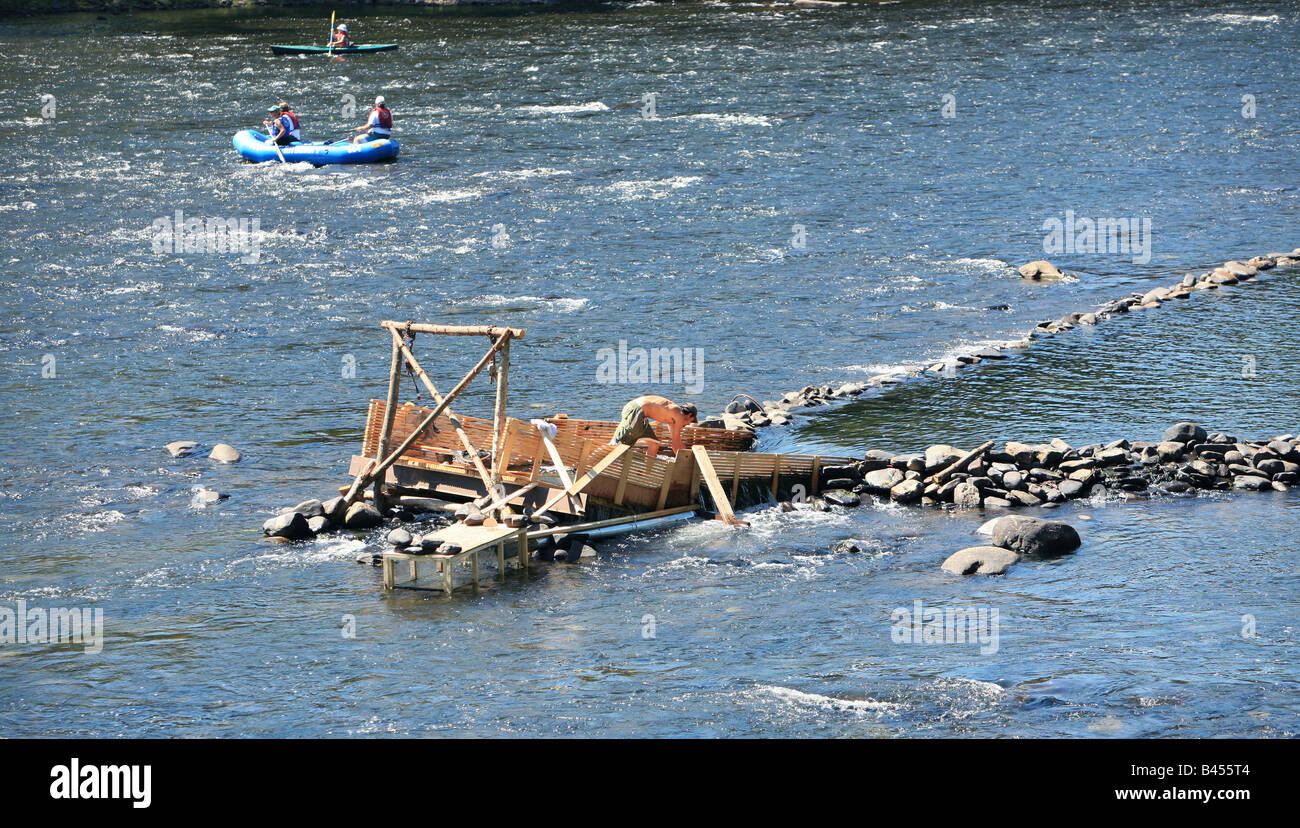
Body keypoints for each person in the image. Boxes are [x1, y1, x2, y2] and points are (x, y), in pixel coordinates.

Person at [610, 395, 697, 458]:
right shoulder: (679, 415)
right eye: (691, 421)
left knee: (654, 444)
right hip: (636, 410)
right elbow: (675, 445)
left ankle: (647, 475)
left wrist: (684, 450)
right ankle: (601, 457)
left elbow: (676, 440)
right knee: (619, 442)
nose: (688, 424)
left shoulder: (673, 417)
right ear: (689, 415)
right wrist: (688, 457)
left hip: (641, 414)